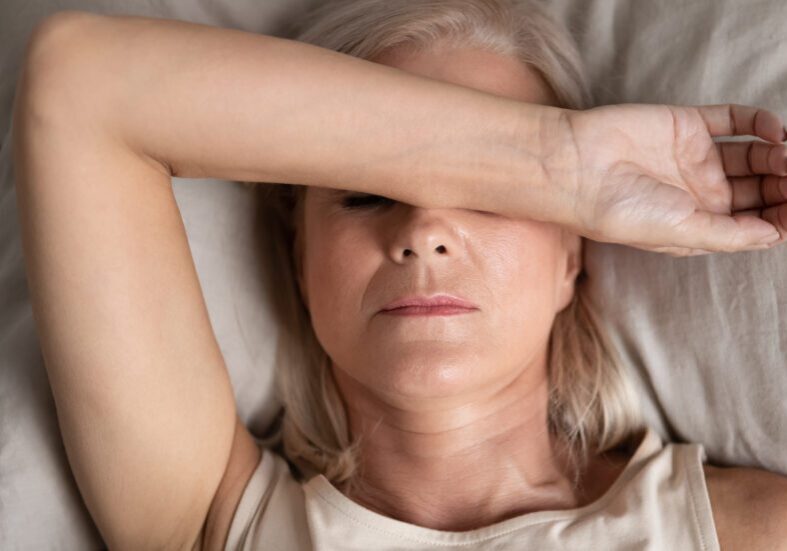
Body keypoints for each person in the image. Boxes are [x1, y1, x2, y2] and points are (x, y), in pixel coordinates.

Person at [11, 1, 787, 550]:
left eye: (492, 198)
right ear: (299, 255)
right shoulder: (214, 520)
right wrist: (553, 164)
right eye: (363, 195)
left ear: (571, 254)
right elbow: (79, 81)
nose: (422, 234)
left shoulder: (742, 532)